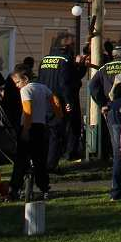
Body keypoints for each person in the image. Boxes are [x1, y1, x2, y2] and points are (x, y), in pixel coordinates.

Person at [88, 37, 121, 201]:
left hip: (112, 110)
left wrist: (102, 103)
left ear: (113, 54)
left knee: (118, 151)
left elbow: (92, 86)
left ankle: (117, 191)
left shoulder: (104, 68)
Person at [7, 66, 61, 201]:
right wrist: (58, 115)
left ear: (25, 79)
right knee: (40, 160)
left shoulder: (25, 90)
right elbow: (55, 100)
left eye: (17, 82)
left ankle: (15, 189)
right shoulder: (43, 88)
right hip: (41, 127)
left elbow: (28, 111)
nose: (17, 86)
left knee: (20, 160)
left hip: (28, 126)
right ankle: (44, 188)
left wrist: (25, 130)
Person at [39, 30, 78, 171]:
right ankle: (51, 165)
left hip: (43, 101)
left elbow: (40, 81)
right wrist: (68, 102)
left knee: (45, 134)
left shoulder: (44, 60)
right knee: (57, 134)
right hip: (58, 102)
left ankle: (42, 162)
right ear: (65, 46)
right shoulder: (65, 61)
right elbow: (65, 84)